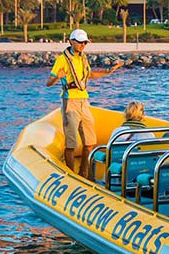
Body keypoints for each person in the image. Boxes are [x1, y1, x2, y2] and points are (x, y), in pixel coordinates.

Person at [46, 28, 124, 178]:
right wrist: (58, 77)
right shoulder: (62, 60)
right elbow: (48, 82)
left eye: (85, 43)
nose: (83, 45)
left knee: (89, 142)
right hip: (70, 101)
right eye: (80, 42)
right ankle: (71, 174)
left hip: (84, 100)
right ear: (71, 42)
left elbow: (89, 74)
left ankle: (84, 172)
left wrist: (107, 72)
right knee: (71, 143)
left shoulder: (83, 58)